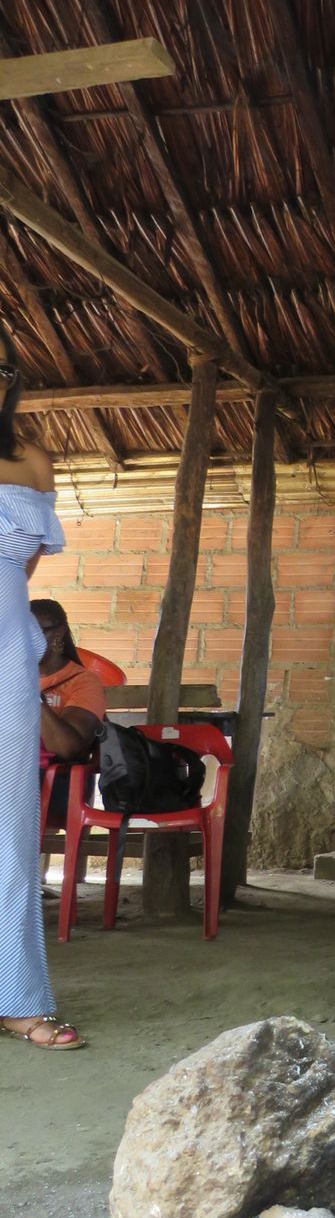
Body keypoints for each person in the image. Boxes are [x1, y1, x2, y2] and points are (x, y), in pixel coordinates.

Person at [0, 337, 84, 1049]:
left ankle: (19, 996)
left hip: (5, 664)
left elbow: (19, 572)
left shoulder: (31, 459)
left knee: (10, 835)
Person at [32, 599, 106, 824]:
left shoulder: (83, 681)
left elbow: (68, 749)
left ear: (58, 633)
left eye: (35, 631)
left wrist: (32, 696)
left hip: (60, 783)